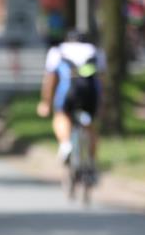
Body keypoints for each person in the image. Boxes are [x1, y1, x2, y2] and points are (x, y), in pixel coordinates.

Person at [37, 29, 106, 165]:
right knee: (91, 126)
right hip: (90, 92)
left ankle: (65, 144)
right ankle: (92, 163)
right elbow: (102, 80)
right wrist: (102, 103)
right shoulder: (96, 51)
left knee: (61, 116)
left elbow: (50, 80)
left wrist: (45, 102)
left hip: (69, 90)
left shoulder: (57, 51)